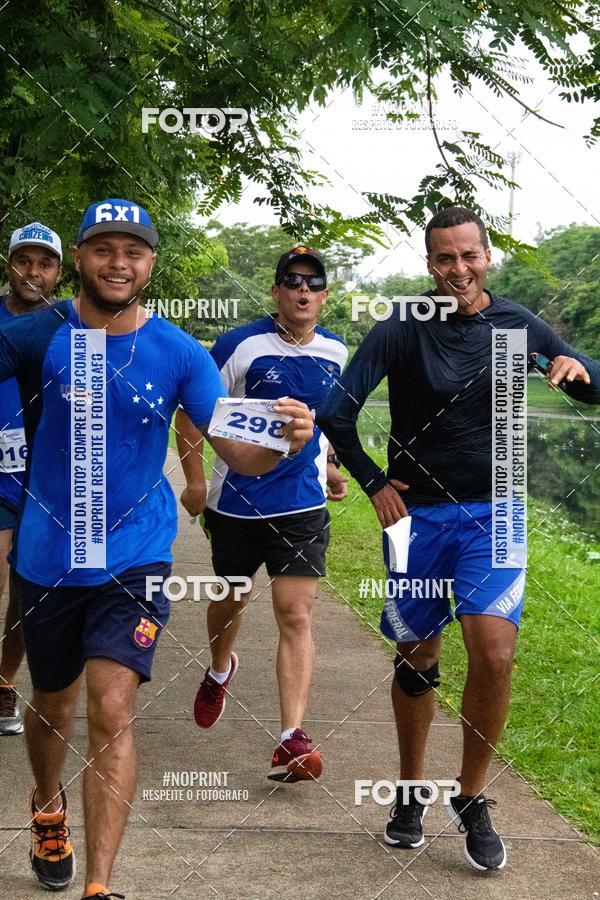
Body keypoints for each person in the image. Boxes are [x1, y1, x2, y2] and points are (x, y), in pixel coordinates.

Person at [0, 199, 313, 900]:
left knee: (113, 708)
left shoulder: (178, 352)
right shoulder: (40, 335)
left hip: (136, 556)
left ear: (150, 263)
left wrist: (284, 442)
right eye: (104, 249)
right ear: (80, 258)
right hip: (49, 556)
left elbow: (236, 449)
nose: (118, 263)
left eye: (133, 251)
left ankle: (100, 887)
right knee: (52, 705)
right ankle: (47, 806)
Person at [318, 206, 600, 871]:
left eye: (469, 255)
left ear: (487, 256)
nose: (459, 269)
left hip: (495, 511)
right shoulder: (401, 326)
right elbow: (336, 410)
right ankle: (410, 790)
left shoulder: (516, 325)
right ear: (430, 263)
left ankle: (471, 796)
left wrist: (571, 362)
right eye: (445, 258)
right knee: (418, 657)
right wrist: (374, 483)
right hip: (416, 519)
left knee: (494, 652)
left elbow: (593, 385)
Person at [177, 245, 348, 782]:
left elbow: (329, 421)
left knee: (295, 613)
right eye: (292, 281)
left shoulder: (337, 351)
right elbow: (192, 413)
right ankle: (220, 667)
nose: (303, 290)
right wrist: (195, 480)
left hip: (301, 505)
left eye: (313, 283)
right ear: (276, 291)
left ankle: (291, 738)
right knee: (230, 599)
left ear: (324, 295)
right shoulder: (240, 345)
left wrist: (330, 467)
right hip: (236, 502)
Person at [0, 222, 62, 736]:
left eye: (44, 263)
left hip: (45, 479)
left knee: (26, 591)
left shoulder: (71, 327)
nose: (32, 272)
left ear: (60, 272)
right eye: (24, 261)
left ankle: (3, 682)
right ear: (10, 265)